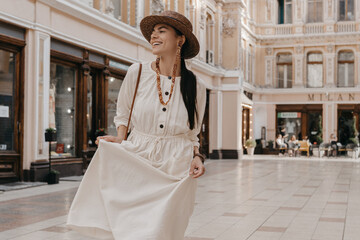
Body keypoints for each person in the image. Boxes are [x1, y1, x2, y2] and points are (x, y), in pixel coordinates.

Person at [66, 11, 206, 240]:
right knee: (133, 229)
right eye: (152, 32)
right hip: (139, 156)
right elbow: (123, 113)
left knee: (164, 231)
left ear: (180, 39)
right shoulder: (137, 72)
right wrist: (120, 138)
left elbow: (193, 131)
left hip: (176, 164)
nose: (153, 36)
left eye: (162, 31)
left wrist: (197, 156)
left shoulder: (195, 84)